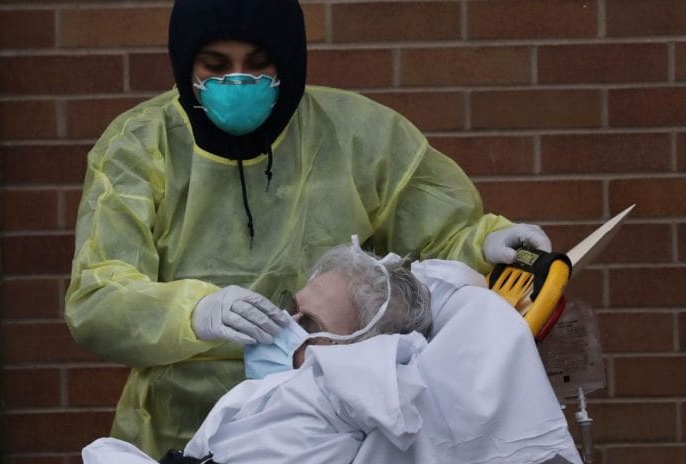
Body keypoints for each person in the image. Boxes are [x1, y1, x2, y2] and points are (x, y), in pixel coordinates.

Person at [64, 0, 552, 457]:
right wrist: (195, 313)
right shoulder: (140, 146)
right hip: (178, 428)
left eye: (259, 65)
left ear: (289, 62)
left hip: (327, 430)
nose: (238, 81)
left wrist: (482, 243)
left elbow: (437, 248)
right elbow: (98, 299)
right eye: (214, 66)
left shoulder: (357, 135)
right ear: (184, 63)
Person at [81, 243, 581, 464]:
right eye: (292, 309)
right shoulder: (273, 396)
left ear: (366, 351)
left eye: (310, 325)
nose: (284, 328)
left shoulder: (342, 400)